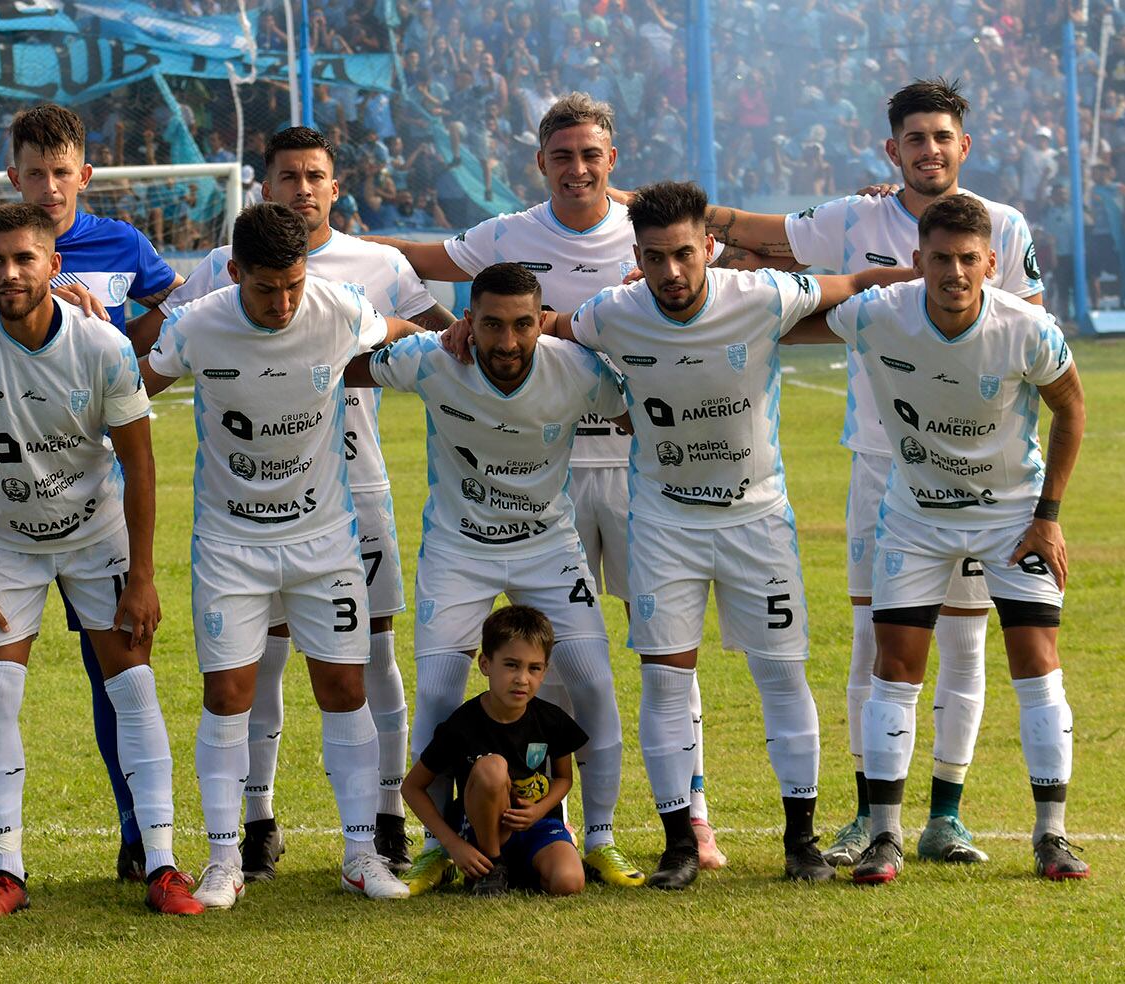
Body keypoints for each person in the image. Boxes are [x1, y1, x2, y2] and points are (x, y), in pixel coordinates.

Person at [369, 93, 752, 872]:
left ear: (612, 159)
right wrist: (331, 241)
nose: (576, 169)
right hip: (546, 477)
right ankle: (530, 826)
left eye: (590, 155)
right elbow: (416, 266)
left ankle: (691, 812)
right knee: (512, 671)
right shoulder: (506, 238)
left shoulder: (652, 229)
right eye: (561, 156)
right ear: (539, 161)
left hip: (638, 474)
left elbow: (724, 273)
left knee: (657, 650)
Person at [687, 78, 1046, 867]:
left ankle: (945, 816)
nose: (928, 150)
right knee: (871, 642)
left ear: (963, 145)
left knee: (964, 641)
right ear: (892, 150)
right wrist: (625, 200)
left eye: (941, 136)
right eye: (913, 139)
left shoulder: (1003, 225)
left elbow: (1031, 332)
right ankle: (866, 814)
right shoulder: (855, 217)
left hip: (981, 476)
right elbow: (755, 233)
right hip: (884, 467)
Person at [537, 180, 911, 889]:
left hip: (756, 522)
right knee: (665, 679)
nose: (670, 273)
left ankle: (799, 841)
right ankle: (679, 843)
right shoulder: (612, 312)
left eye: (683, 254)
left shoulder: (762, 294)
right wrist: (470, 327)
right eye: (653, 258)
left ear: (709, 247)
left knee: (779, 676)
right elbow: (552, 328)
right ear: (635, 258)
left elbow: (855, 281)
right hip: (663, 526)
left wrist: (932, 273)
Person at [131, 126, 455, 881]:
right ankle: (222, 860)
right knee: (230, 692)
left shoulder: (339, 305)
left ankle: (360, 853)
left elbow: (397, 327)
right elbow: (134, 388)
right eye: (264, 288)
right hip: (230, 541)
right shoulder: (198, 322)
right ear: (234, 272)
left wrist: (452, 341)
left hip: (325, 538)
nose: (281, 303)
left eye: (292, 287)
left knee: (345, 684)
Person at [0, 103, 184, 895]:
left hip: (97, 532)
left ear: (52, 259)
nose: (9, 275)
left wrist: (142, 573)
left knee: (129, 684)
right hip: (4, 540)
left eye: (24, 260)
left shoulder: (103, 342)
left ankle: (159, 859)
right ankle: (5, 869)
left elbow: (139, 459)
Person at [347, 261, 641, 894]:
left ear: (541, 322)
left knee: (592, 681)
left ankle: (601, 838)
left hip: (549, 546)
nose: (506, 343)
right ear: (467, 323)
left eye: (521, 326)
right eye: (490, 326)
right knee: (437, 692)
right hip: (458, 549)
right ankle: (435, 845)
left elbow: (636, 407)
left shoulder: (578, 369)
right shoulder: (432, 359)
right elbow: (349, 365)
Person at [820, 195, 1087, 884]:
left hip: (1009, 517)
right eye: (940, 258)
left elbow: (1070, 407)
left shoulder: (1025, 327)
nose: (954, 271)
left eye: (969, 259)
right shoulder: (879, 314)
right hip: (915, 514)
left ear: (990, 263)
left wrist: (1047, 515)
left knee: (1036, 661)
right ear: (918, 261)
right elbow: (796, 312)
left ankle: (1050, 836)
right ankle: (884, 837)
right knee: (894, 666)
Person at [401, 605, 587, 897]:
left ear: (544, 671)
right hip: (480, 832)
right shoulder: (462, 725)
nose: (522, 678)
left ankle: (531, 862)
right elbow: (412, 787)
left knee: (569, 882)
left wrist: (538, 810)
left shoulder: (552, 720)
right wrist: (453, 845)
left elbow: (564, 779)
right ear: (486, 664)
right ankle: (492, 866)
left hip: (537, 826)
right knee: (493, 768)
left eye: (534, 668)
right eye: (511, 665)